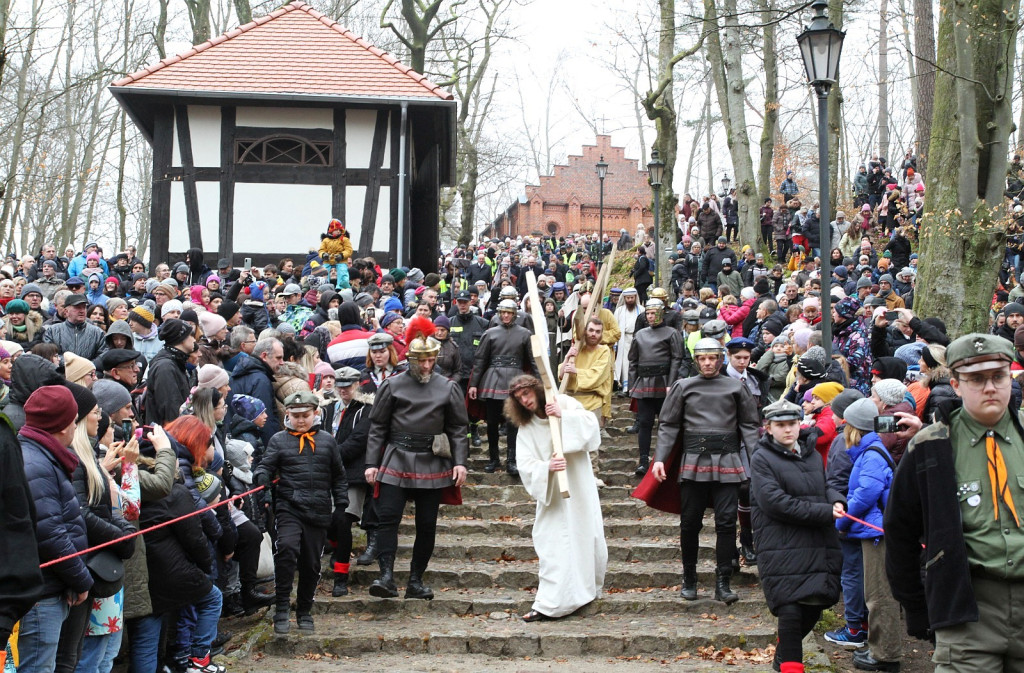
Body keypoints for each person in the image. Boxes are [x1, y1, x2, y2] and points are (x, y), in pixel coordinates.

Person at [886, 333, 1024, 673]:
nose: (989, 387)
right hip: (967, 613)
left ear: (1010, 377)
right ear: (956, 385)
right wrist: (916, 608)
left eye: (998, 376)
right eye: (976, 379)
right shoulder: (930, 446)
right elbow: (900, 530)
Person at [364, 318, 469, 600]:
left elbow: (458, 428)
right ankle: (386, 577)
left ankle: (415, 580)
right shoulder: (392, 385)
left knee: (427, 524)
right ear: (410, 358)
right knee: (387, 519)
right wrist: (372, 463)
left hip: (431, 459)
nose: (426, 366)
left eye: (431, 360)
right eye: (421, 360)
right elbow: (378, 427)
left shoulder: (447, 388)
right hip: (396, 457)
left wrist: (460, 461)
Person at [650, 337, 760, 604]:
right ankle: (689, 579)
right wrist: (660, 458)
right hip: (693, 460)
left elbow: (749, 426)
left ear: (720, 359)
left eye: (713, 358)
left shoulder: (736, 388)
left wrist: (757, 461)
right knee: (689, 523)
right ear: (696, 360)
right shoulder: (683, 387)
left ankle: (723, 582)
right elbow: (668, 425)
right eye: (703, 358)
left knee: (725, 523)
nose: (708, 363)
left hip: (728, 460)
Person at [751, 399, 844, 673]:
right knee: (790, 609)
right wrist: (825, 512)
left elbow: (826, 485)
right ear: (769, 428)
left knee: (814, 607)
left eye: (792, 424)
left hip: (817, 541)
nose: (788, 430)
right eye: (780, 425)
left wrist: (837, 501)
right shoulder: (762, 458)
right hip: (781, 543)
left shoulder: (812, 454)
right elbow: (775, 503)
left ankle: (782, 659)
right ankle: (791, 665)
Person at [505, 375, 606, 621]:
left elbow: (592, 429)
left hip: (579, 487)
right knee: (551, 542)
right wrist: (547, 466)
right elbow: (525, 463)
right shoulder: (526, 428)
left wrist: (563, 415)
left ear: (537, 389)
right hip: (552, 496)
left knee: (585, 536)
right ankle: (550, 602)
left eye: (527, 394)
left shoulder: (564, 403)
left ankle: (583, 592)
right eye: (519, 398)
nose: (525, 400)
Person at [254, 390, 348, 635]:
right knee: (286, 548)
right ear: (288, 415)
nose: (301, 420)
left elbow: (339, 477)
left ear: (315, 413)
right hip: (289, 507)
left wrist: (341, 506)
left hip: (318, 510)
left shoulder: (327, 441)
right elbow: (264, 466)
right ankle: (282, 607)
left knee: (312, 563)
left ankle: (304, 609)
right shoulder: (278, 440)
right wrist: (263, 483)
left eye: (305, 415)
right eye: (295, 416)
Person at [17, 385, 92, 673]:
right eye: (74, 420)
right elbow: (50, 533)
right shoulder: (35, 463)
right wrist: (81, 579)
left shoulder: (40, 454)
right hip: (42, 594)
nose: (76, 425)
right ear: (62, 426)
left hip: (50, 586)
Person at [838, 397, 901, 672]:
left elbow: (867, 493)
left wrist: (844, 517)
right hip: (875, 530)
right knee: (876, 593)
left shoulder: (872, 454)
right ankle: (879, 648)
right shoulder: (872, 450)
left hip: (877, 533)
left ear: (854, 428)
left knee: (879, 595)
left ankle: (885, 655)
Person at [469, 299, 535, 476]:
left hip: (516, 380)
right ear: (499, 313)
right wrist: (474, 384)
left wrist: (538, 384)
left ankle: (512, 461)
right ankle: (494, 459)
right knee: (491, 423)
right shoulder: (490, 333)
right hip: (493, 380)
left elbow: (533, 360)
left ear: (514, 314)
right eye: (503, 312)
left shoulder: (525, 334)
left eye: (509, 312)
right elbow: (480, 360)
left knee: (513, 423)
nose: (506, 315)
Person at [629, 299, 683, 476]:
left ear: (661, 313)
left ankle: (665, 460)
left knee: (666, 423)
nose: (650, 316)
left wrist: (671, 383)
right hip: (644, 383)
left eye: (653, 313)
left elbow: (677, 358)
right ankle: (643, 461)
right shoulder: (640, 334)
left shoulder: (672, 333)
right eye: (648, 313)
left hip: (664, 381)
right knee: (644, 422)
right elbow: (633, 361)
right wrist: (631, 384)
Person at [559, 317, 613, 437]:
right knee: (570, 443)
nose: (594, 334)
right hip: (571, 403)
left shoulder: (604, 351)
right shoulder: (577, 348)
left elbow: (597, 375)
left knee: (591, 446)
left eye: (598, 331)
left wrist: (576, 371)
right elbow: (562, 375)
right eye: (591, 330)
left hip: (592, 403)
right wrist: (567, 357)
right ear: (585, 331)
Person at [145, 319, 195, 425]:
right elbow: (170, 414)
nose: (194, 340)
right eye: (191, 335)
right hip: (168, 435)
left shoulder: (176, 362)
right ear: (182, 339)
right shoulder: (165, 367)